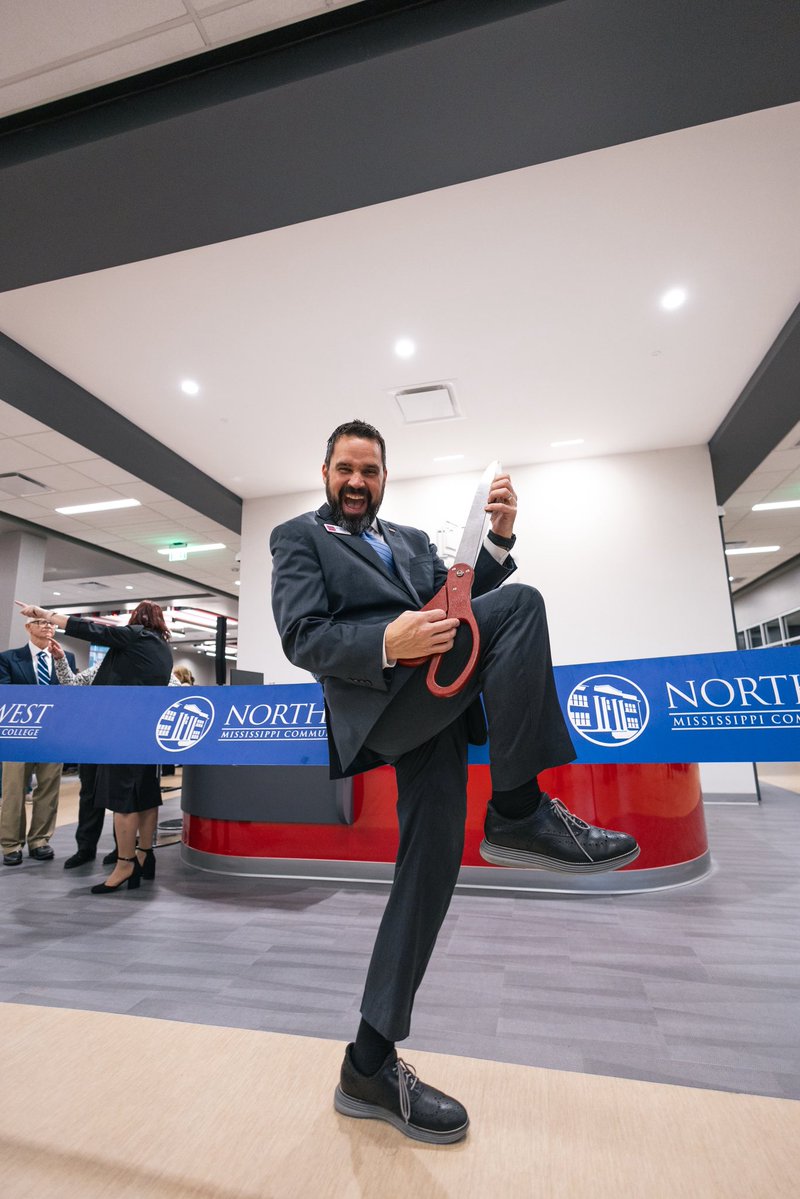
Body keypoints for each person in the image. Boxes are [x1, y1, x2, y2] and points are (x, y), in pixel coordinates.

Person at [270, 419, 640, 1145]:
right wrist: (387, 639)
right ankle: (518, 807)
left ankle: (367, 1063)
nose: (356, 481)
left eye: (369, 471)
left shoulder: (406, 539)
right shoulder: (298, 536)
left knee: (429, 872)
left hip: (435, 706)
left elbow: (467, 607)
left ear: (383, 477)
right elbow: (301, 633)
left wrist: (496, 542)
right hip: (382, 704)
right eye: (345, 468)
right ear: (324, 472)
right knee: (525, 606)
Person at [16, 601, 173, 894]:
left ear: (137, 620)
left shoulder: (135, 636)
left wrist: (45, 615)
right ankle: (144, 856)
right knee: (147, 798)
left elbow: (91, 630)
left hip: (119, 734)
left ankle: (125, 864)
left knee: (124, 803)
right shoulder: (163, 649)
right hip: (147, 734)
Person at [51, 650, 179, 869]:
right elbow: (71, 684)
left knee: (123, 798)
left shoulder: (151, 666)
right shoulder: (103, 666)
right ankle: (85, 848)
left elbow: (175, 690)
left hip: (126, 742)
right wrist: (60, 659)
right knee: (89, 793)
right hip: (94, 739)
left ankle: (122, 849)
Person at [0, 613, 76, 866]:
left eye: (51, 623)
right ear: (28, 627)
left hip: (52, 734)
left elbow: (70, 692)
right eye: (42, 622)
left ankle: (40, 840)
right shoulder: (9, 659)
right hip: (18, 735)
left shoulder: (66, 658)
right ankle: (11, 844)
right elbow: (6, 696)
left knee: (49, 789)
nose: (48, 627)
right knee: (13, 790)